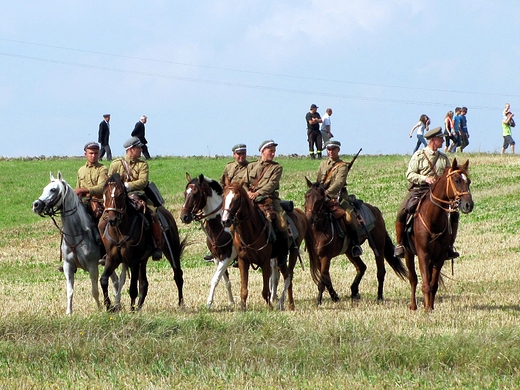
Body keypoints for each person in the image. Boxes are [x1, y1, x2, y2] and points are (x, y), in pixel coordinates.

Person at [394, 126, 459, 259]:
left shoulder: (443, 158)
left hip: (438, 194)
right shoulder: (419, 155)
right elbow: (409, 174)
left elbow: (448, 176)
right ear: (433, 140)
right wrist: (425, 179)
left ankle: (450, 245)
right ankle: (400, 244)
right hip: (419, 190)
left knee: (454, 214)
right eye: (440, 139)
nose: (442, 141)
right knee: (402, 211)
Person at [103, 136, 163, 260]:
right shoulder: (116, 164)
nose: (141, 150)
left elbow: (143, 182)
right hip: (118, 198)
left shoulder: (143, 165)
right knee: (103, 220)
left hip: (138, 195)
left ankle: (157, 245)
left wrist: (127, 185)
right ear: (131, 149)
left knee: (152, 214)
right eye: (139, 148)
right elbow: (110, 182)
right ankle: (106, 249)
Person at [203, 143, 250, 263]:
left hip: (243, 201)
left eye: (243, 153)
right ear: (234, 154)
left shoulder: (251, 167)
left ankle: (237, 250)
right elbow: (222, 184)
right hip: (229, 200)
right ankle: (214, 248)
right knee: (213, 221)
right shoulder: (229, 167)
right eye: (239, 154)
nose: (241, 156)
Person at [316, 140, 363, 257]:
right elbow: (318, 181)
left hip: (339, 197)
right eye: (329, 149)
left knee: (348, 217)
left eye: (333, 149)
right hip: (322, 198)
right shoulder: (323, 164)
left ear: (338, 150)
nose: (331, 152)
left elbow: (339, 183)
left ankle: (355, 244)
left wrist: (326, 194)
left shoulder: (342, 166)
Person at [244, 140, 288, 239]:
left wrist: (257, 193)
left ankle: (283, 249)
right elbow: (244, 182)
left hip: (269, 198)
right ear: (263, 151)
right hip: (249, 198)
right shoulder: (251, 166)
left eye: (274, 151)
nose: (273, 154)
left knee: (282, 223)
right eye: (270, 151)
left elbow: (271, 185)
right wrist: (248, 192)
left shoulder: (277, 167)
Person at [74, 141, 108, 245]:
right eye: (91, 153)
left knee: (99, 217)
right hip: (83, 201)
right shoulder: (81, 170)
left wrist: (84, 190)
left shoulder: (102, 169)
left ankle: (103, 244)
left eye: (96, 153)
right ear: (85, 154)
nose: (93, 156)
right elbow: (77, 188)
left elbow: (102, 187)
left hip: (98, 201)